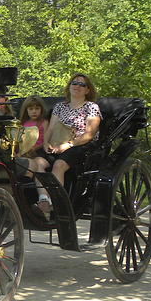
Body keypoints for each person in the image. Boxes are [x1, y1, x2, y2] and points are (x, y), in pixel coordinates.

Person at [43, 73, 102, 207]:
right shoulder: (60, 107)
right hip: (57, 143)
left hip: (81, 145)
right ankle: (42, 199)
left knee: (59, 165)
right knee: (37, 162)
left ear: (88, 90)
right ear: (69, 87)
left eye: (82, 84)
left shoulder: (91, 107)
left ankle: (57, 204)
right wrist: (46, 143)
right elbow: (51, 129)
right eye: (74, 83)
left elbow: (89, 134)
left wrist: (68, 145)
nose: (77, 86)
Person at [18, 95, 52, 214]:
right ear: (26, 110)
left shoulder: (44, 123)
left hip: (40, 152)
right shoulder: (23, 123)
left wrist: (33, 149)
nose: (34, 111)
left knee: (38, 164)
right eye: (31, 109)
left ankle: (43, 197)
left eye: (37, 108)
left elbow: (45, 140)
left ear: (41, 109)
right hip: (24, 152)